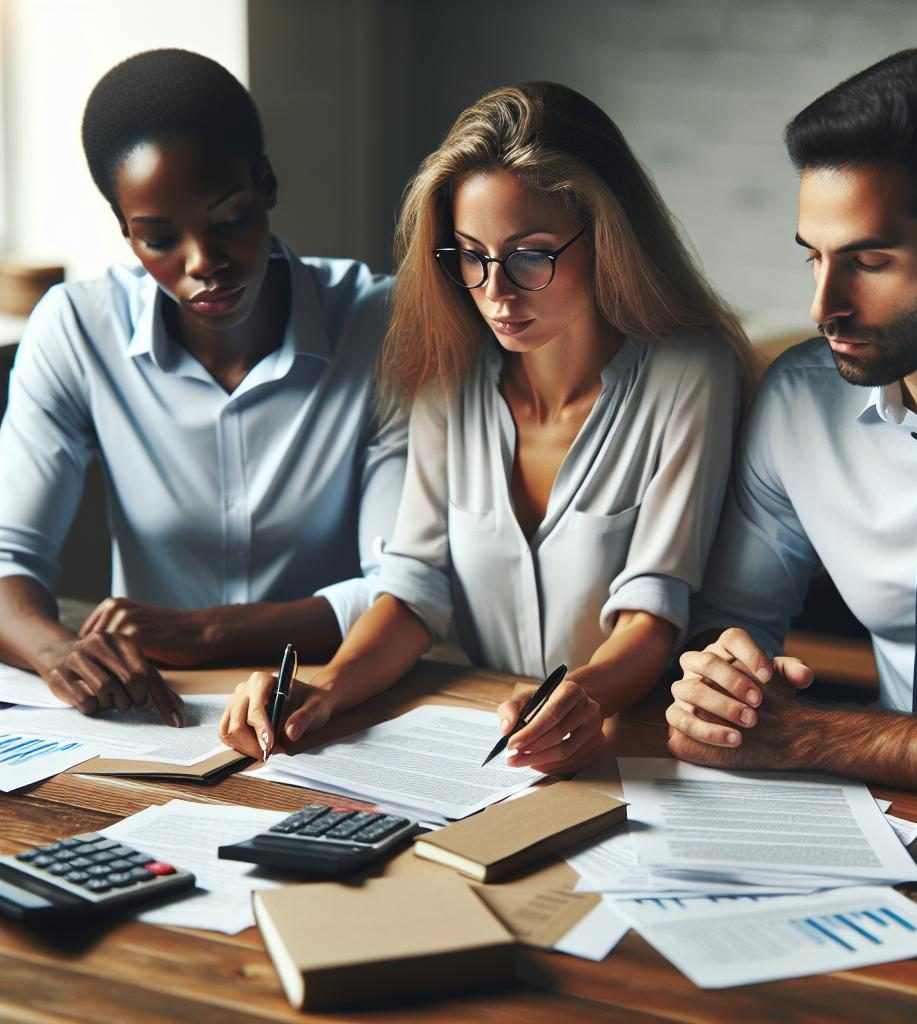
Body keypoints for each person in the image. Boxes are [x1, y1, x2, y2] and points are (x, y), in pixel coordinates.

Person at [220, 81, 757, 771]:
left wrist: (580, 697)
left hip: (638, 748)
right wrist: (325, 691)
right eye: (470, 255)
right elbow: (414, 588)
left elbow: (653, 611)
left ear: (607, 234)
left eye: (530, 254)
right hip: (478, 743)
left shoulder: (690, 370)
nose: (494, 292)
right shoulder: (451, 369)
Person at [0, 50, 406, 724]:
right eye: (157, 238)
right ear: (124, 230)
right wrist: (57, 652)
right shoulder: (76, 330)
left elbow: (403, 587)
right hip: (155, 718)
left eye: (228, 220)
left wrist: (208, 632)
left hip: (332, 704)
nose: (203, 264)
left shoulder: (376, 325)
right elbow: (7, 553)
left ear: (266, 184)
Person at [666, 48, 917, 806]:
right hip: (874, 817)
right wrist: (721, 680)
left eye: (869, 261)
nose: (823, 306)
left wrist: (812, 735)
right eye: (814, 258)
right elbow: (732, 616)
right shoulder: (801, 402)